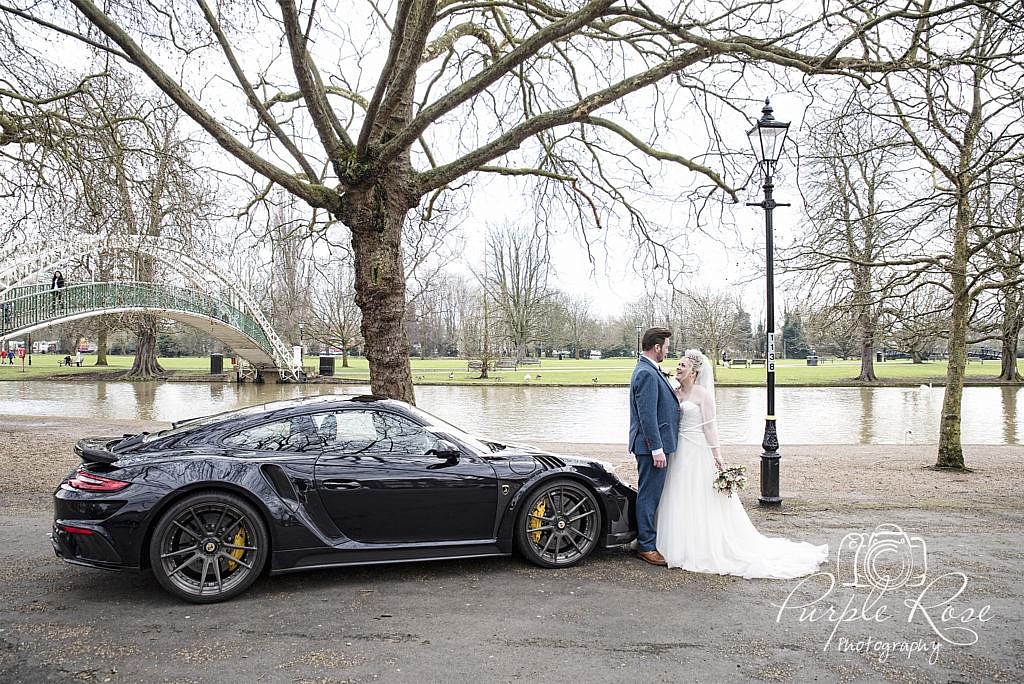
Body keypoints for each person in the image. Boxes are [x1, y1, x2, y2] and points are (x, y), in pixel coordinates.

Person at [655, 349, 828, 578]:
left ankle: (702, 546)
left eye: (682, 365)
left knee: (700, 497)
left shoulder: (702, 394)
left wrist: (717, 456)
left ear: (694, 372)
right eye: (678, 364)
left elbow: (709, 427)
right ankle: (676, 541)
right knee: (677, 495)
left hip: (697, 452)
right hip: (678, 452)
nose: (677, 368)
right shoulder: (674, 393)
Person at [628, 327, 679, 566]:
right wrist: (656, 448)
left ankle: (647, 540)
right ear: (656, 347)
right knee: (649, 495)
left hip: (655, 444)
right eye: (666, 347)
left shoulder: (650, 370)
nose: (667, 351)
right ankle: (646, 545)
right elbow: (646, 415)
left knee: (652, 494)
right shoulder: (646, 373)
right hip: (651, 448)